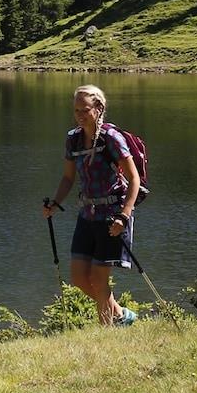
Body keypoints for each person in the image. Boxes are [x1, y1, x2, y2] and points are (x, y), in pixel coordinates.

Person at [43, 83, 141, 326]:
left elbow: (134, 179)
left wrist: (124, 215)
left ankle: (106, 331)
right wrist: (55, 203)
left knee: (98, 279)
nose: (79, 115)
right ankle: (121, 315)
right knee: (78, 278)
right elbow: (68, 178)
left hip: (112, 216)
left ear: (98, 109)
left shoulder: (112, 138)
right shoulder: (73, 140)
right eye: (76, 110)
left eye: (84, 110)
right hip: (87, 214)